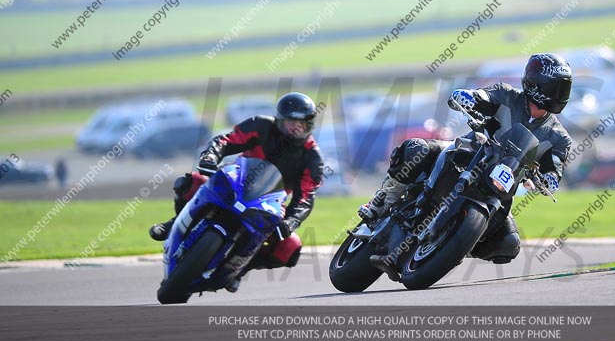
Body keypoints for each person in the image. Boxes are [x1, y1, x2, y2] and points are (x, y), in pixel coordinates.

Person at [358, 53, 573, 280]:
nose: (558, 95)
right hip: (469, 152)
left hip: (499, 187)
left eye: (563, 89)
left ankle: (454, 243)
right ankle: (383, 201)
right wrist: (469, 97)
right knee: (416, 149)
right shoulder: (506, 95)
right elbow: (483, 97)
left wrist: (549, 179)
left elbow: (554, 167)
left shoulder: (560, 138)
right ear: (535, 83)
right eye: (554, 87)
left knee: (509, 244)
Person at [148, 92, 324, 291]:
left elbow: (305, 197)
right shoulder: (261, 125)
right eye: (291, 123)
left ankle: (239, 269)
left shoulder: (312, 158)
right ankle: (175, 223)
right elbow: (226, 140)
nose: (296, 129)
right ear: (279, 121)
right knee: (192, 181)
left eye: (302, 125)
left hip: (270, 202)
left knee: (289, 247)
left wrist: (292, 221)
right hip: (236, 179)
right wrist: (210, 157)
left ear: (310, 126)